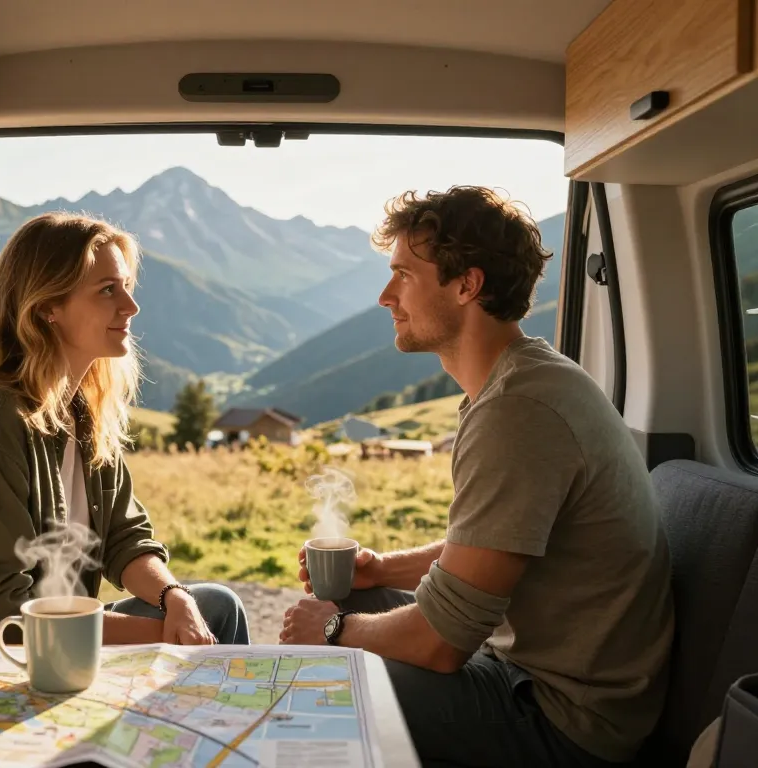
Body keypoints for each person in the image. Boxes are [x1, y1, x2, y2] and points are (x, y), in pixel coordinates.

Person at [281, 187, 673, 768]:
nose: (385, 295)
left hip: (561, 719)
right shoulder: (519, 384)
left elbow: (441, 645)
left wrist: (335, 628)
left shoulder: (519, 409)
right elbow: (496, 543)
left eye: (404, 276)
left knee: (315, 685)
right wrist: (382, 568)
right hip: (529, 676)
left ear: (467, 285)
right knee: (356, 591)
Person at [0, 213, 249, 647]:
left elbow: (124, 538)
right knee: (206, 627)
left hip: (52, 627)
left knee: (215, 605)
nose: (130, 307)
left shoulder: (82, 409)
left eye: (127, 286)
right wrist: (162, 635)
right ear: (46, 307)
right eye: (108, 290)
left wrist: (176, 599)